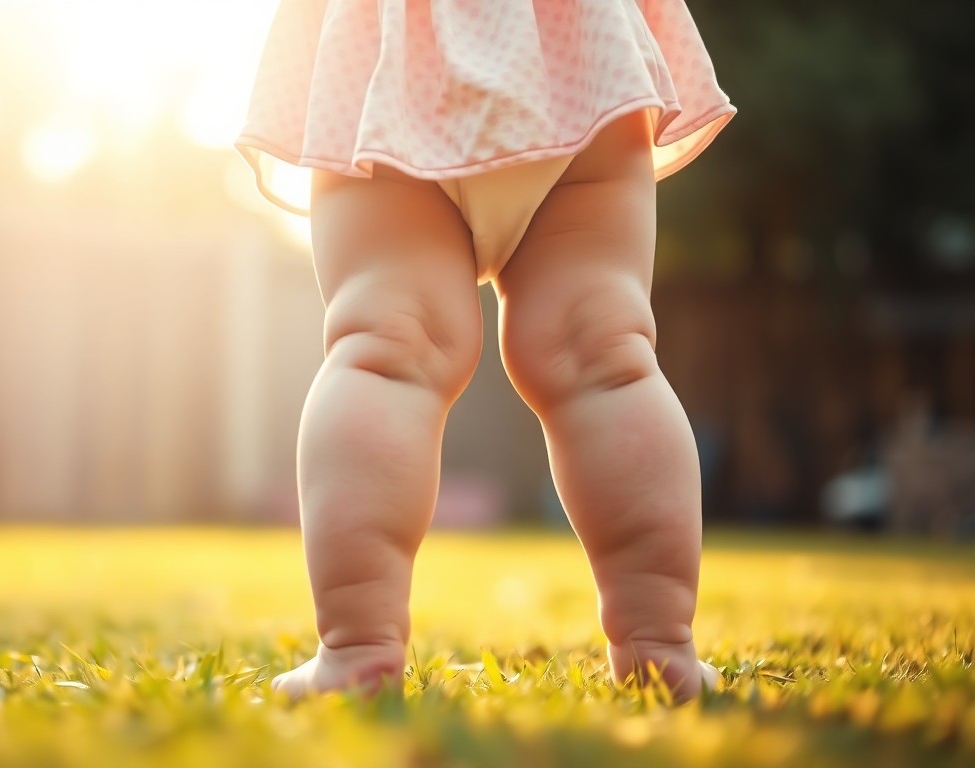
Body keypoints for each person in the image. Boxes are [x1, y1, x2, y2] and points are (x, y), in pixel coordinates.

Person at [235, 0, 734, 702]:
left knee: (386, 347)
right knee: (605, 355)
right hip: (580, 58)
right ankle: (659, 643)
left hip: (389, 58)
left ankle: (358, 647)